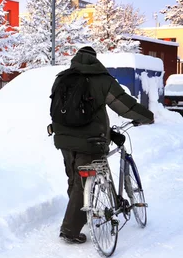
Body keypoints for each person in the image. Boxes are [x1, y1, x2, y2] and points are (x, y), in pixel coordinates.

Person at [50, 46, 154, 244]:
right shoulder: (102, 79)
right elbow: (124, 105)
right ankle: (70, 229)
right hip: (92, 140)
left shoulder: (61, 78)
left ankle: (83, 213)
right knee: (83, 182)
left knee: (75, 179)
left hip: (63, 138)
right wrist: (147, 116)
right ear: (95, 60)